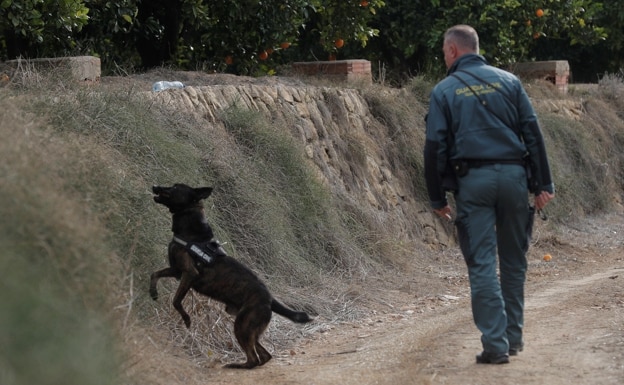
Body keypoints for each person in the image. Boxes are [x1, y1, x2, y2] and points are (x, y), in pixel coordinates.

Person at [423, 25, 555, 364]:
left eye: (443, 51)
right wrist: (543, 185)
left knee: (482, 263)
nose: (443, 56)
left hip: (474, 183)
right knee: (514, 261)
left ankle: (495, 346)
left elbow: (435, 147)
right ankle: (513, 339)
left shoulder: (444, 90)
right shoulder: (510, 82)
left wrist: (437, 198)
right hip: (514, 178)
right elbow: (532, 131)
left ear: (452, 50)